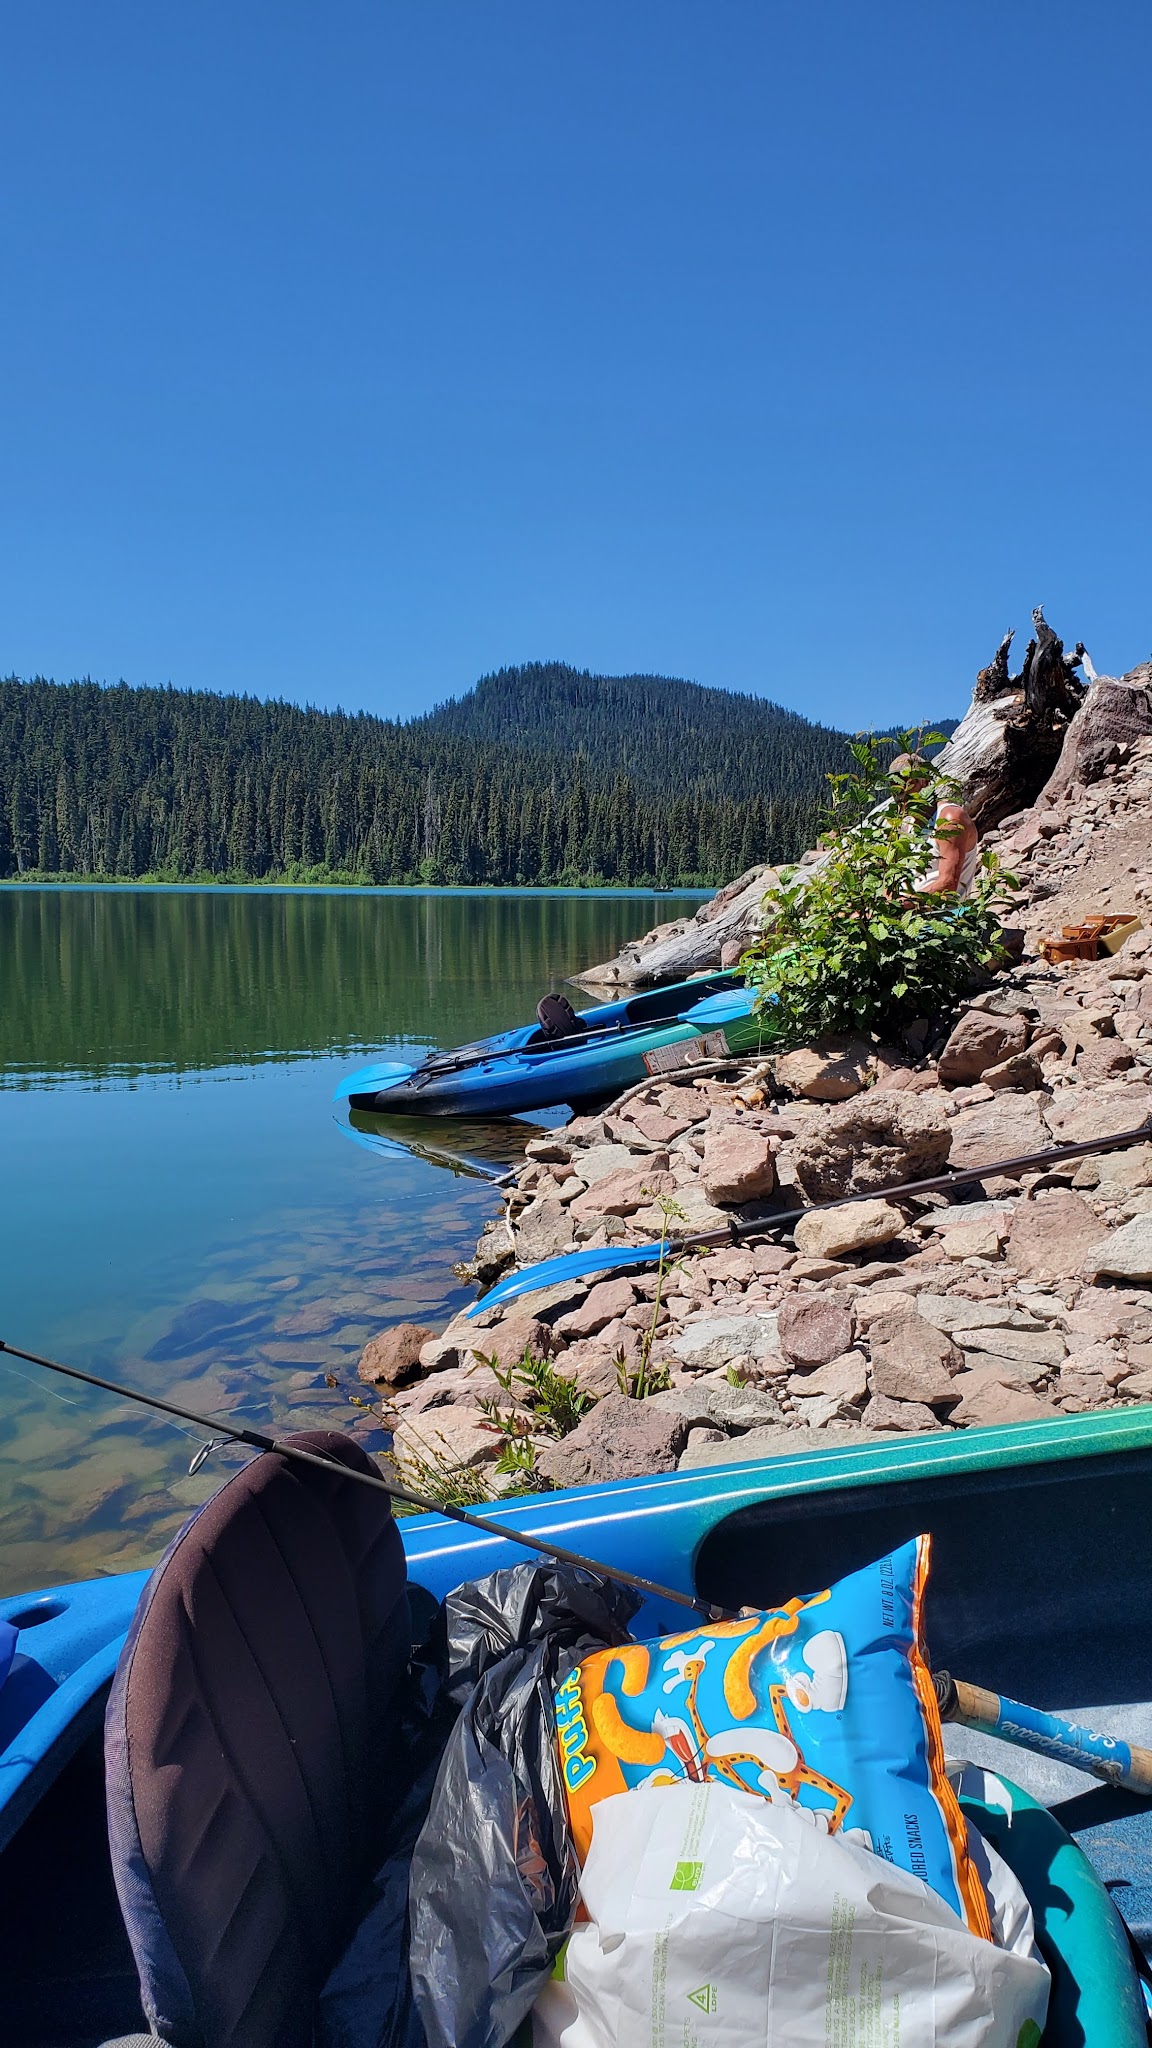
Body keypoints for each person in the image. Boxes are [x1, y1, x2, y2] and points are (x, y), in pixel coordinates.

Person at [887, 751, 981, 896]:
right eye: (894, 784)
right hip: (909, 913)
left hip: (945, 915)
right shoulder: (906, 825)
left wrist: (900, 906)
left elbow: (948, 884)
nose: (900, 790)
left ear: (925, 782)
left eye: (907, 782)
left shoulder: (949, 819)